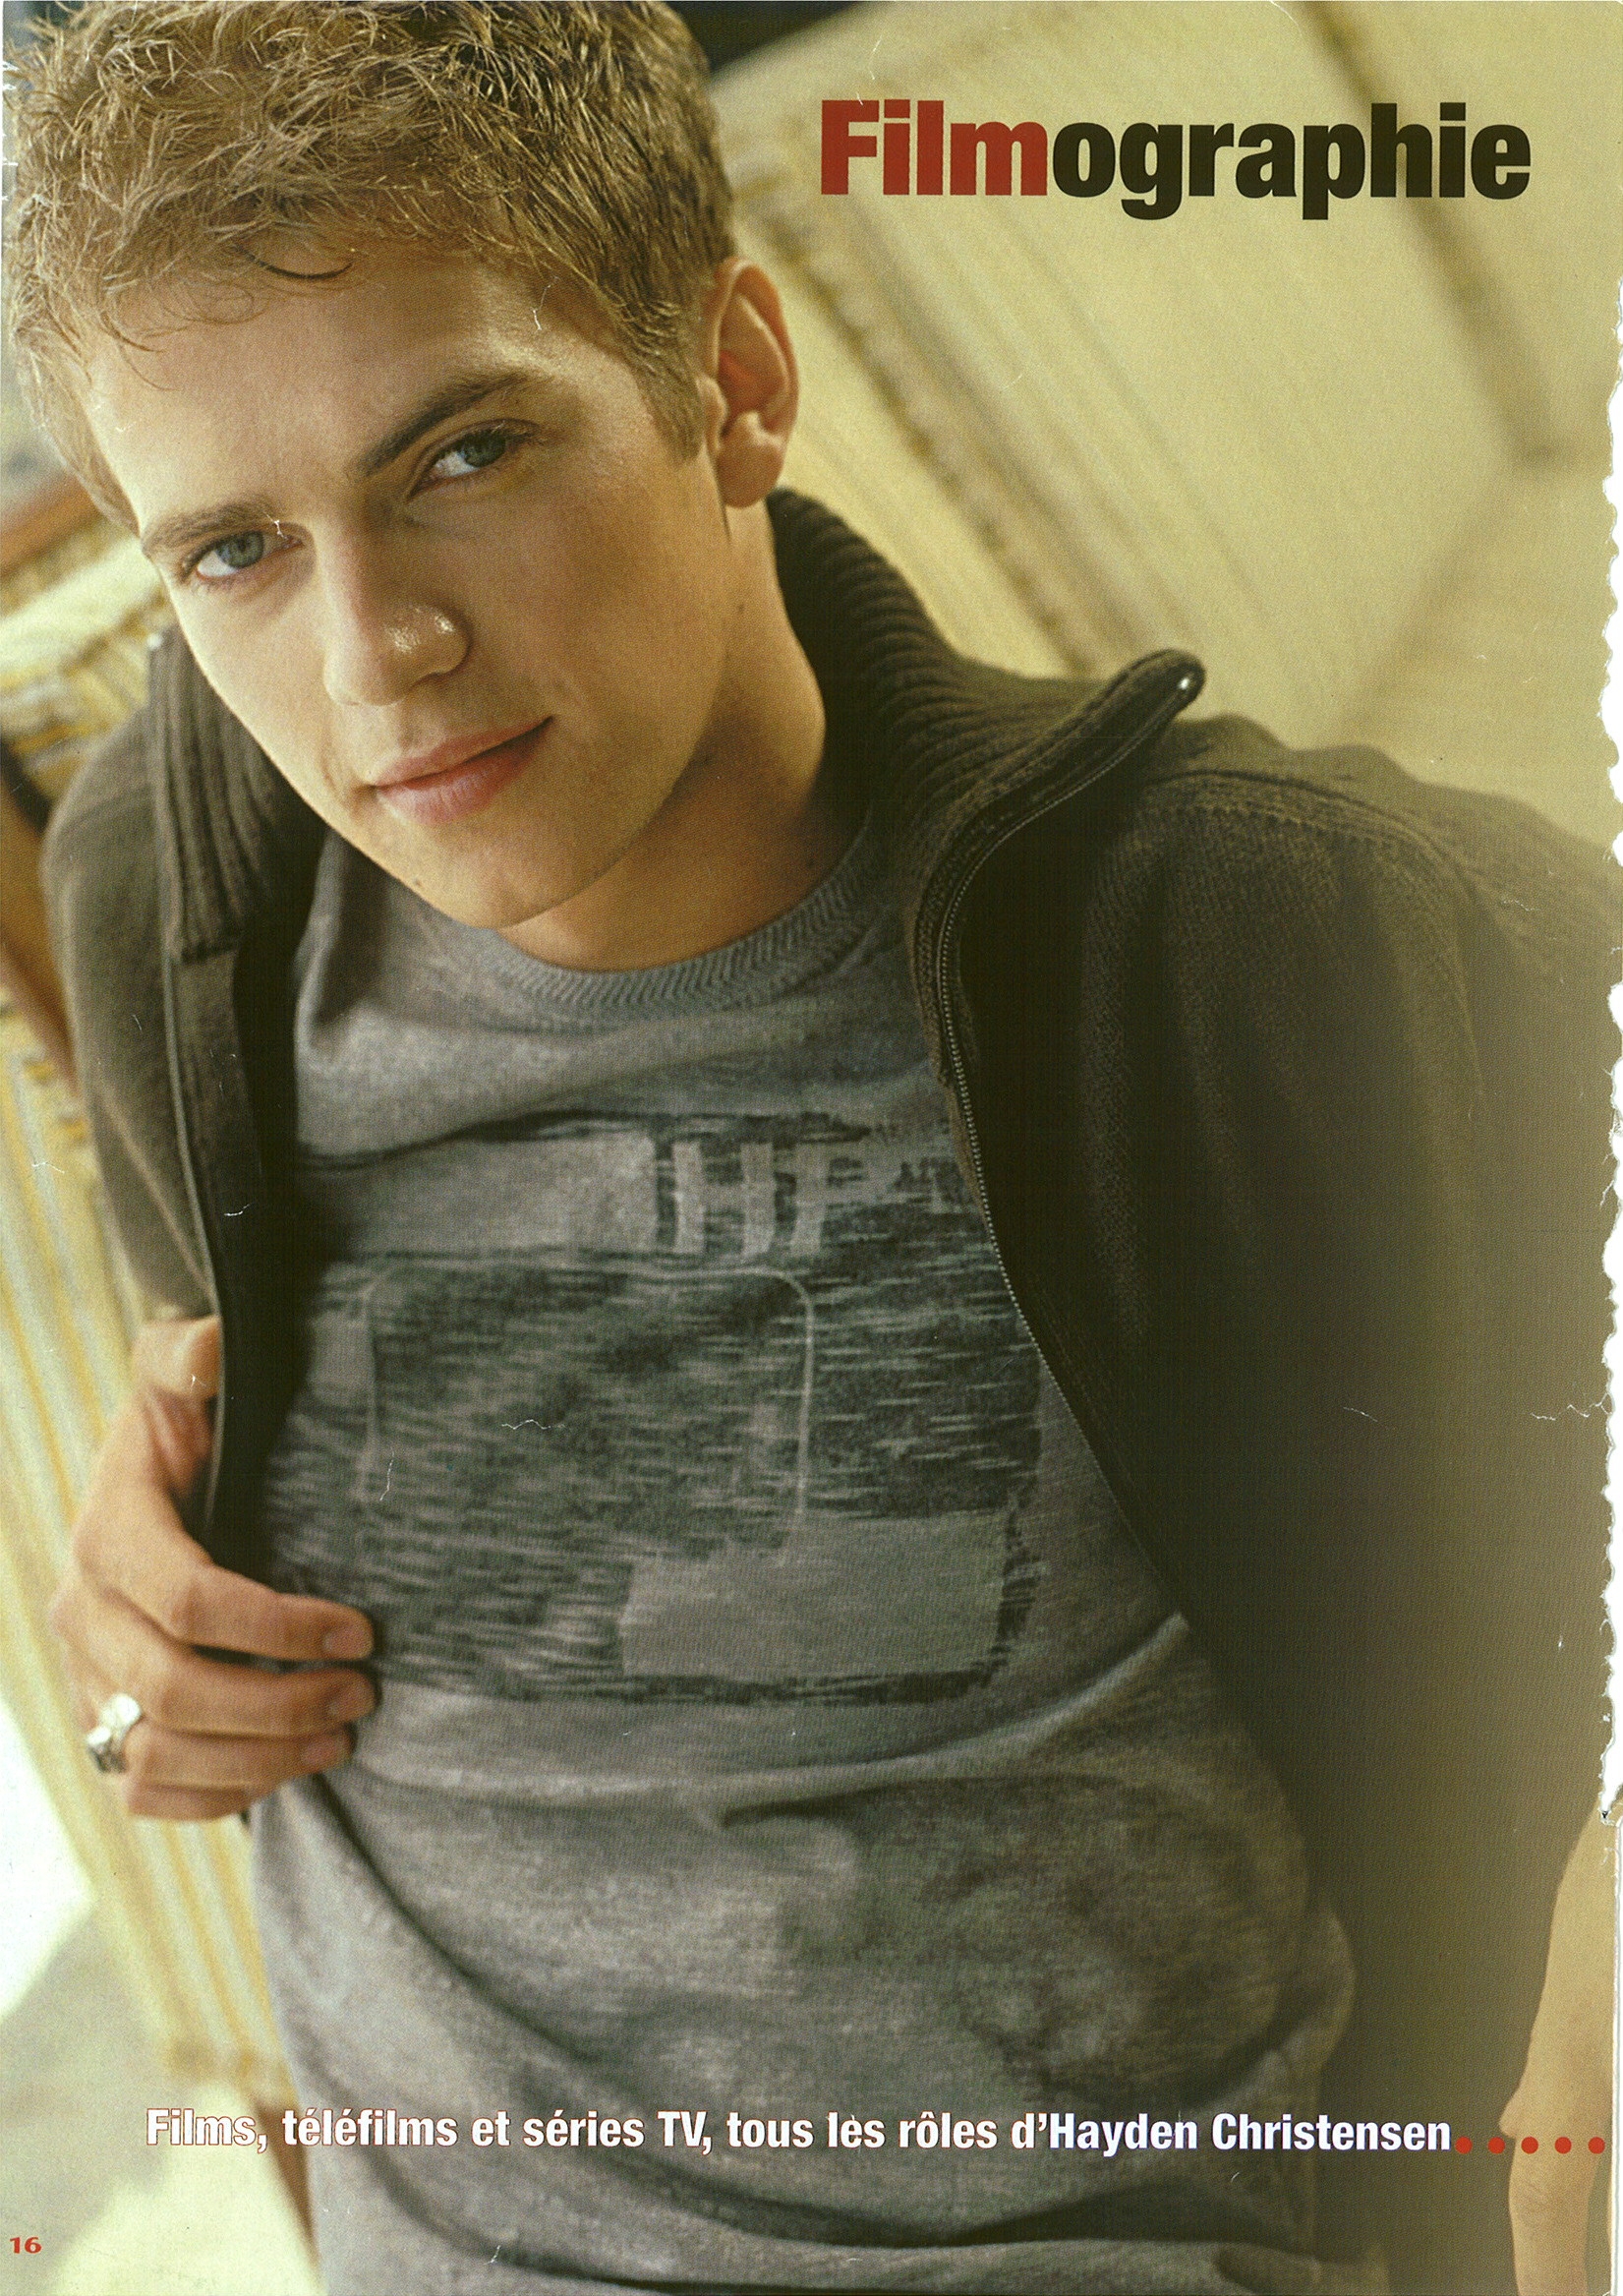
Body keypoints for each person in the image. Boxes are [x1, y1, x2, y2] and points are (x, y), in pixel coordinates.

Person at [8, 4, 1612, 2292]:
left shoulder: (1258, 936)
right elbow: (236, 1448)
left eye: (465, 452)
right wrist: (141, 1615)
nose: (377, 653)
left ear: (736, 381)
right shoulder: (177, 896)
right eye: (237, 551)